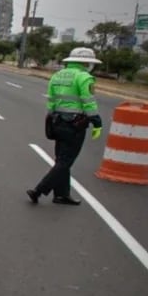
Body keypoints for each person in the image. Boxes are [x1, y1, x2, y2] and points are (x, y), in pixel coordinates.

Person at [27, 47, 104, 206]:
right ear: (85, 62)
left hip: (57, 121)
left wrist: (53, 116)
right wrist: (96, 120)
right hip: (75, 124)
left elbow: (51, 100)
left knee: (61, 159)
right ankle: (39, 190)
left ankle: (62, 195)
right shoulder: (84, 77)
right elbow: (88, 101)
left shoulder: (57, 76)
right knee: (65, 161)